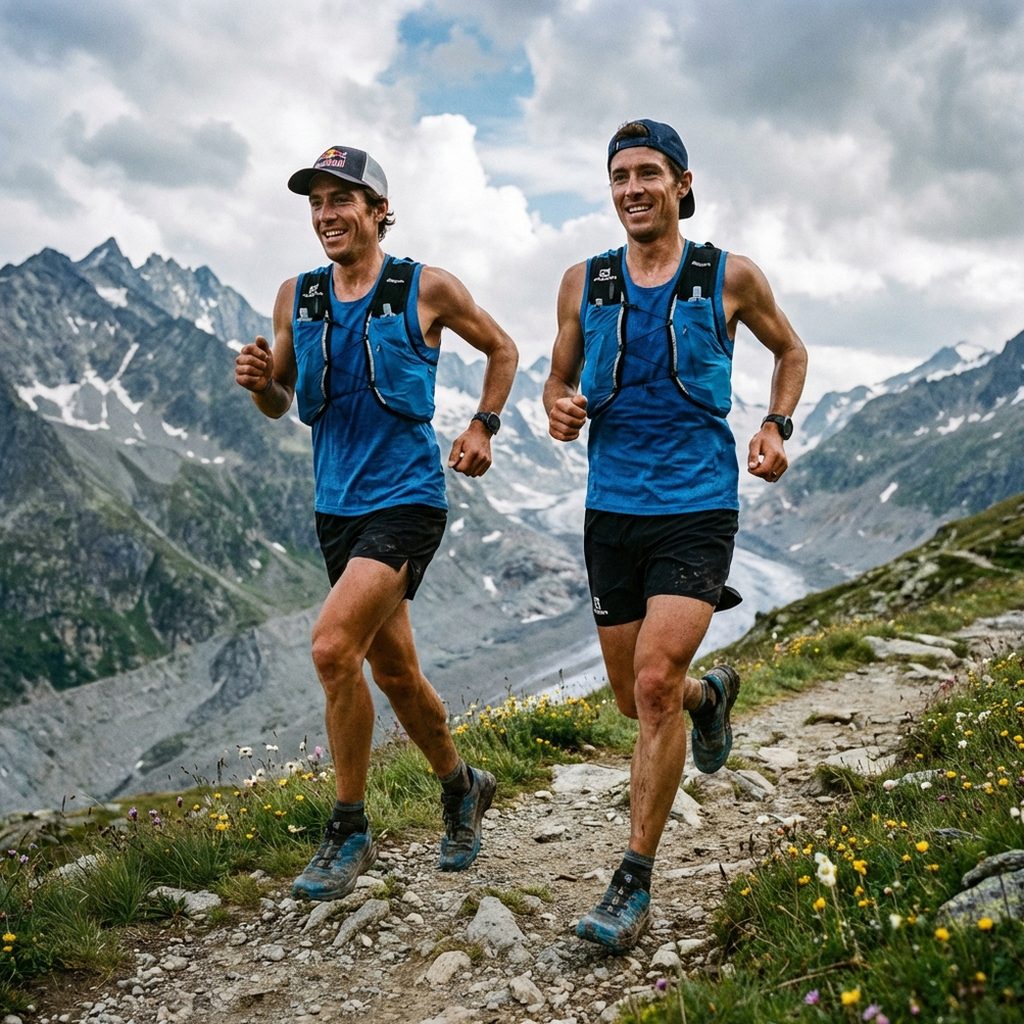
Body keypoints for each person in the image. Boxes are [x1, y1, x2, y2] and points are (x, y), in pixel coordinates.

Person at [544, 119, 807, 952]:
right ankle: (712, 696)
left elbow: (790, 351)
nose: (632, 189)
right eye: (619, 176)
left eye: (648, 173)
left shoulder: (728, 276)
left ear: (682, 184)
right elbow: (557, 375)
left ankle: (632, 883)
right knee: (637, 698)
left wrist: (775, 425)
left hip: (697, 507)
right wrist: (557, 405)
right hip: (610, 510)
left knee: (653, 682)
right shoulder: (582, 282)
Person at [235, 144, 519, 900]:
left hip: (407, 501)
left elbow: (502, 347)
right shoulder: (296, 295)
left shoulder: (426, 288)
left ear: (378, 210)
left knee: (332, 649)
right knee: (392, 672)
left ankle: (349, 829)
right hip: (337, 509)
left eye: (342, 200)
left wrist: (483, 424)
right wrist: (263, 384)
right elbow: (285, 403)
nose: (327, 215)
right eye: (316, 203)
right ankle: (462, 786)